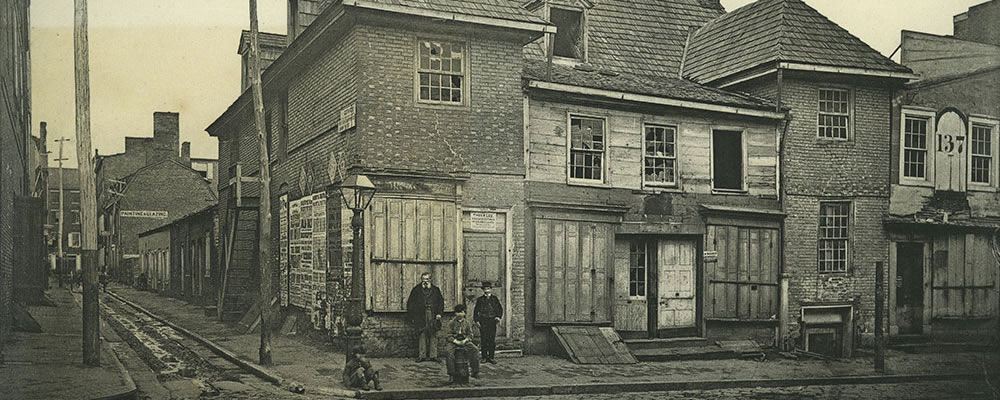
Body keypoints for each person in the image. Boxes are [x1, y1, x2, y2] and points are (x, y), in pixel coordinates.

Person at [405, 272, 444, 362]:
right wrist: (413, 316)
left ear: (431, 280)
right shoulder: (416, 290)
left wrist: (439, 314)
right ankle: (421, 356)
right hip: (420, 315)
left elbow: (440, 303)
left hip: (433, 314)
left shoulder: (436, 290)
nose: (425, 282)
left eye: (427, 279)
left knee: (433, 334)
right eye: (423, 279)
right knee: (422, 334)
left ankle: (433, 356)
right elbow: (410, 303)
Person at [444, 303, 479, 382]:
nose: (459, 314)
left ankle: (475, 371)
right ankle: (451, 374)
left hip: (464, 340)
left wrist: (465, 340)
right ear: (455, 313)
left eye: (461, 312)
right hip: (454, 341)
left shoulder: (467, 323)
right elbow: (448, 335)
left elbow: (470, 334)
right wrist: (455, 341)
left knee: (475, 350)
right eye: (457, 312)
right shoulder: (451, 323)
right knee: (448, 352)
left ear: (464, 313)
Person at [474, 281, 503, 364]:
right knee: (484, 339)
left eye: (488, 289)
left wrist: (498, 316)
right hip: (483, 321)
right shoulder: (480, 299)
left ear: (491, 289)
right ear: (483, 290)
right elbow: (476, 311)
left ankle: (491, 357)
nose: (487, 290)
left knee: (491, 339)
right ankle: (484, 357)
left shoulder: (494, 299)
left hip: (492, 321)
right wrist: (477, 320)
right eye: (485, 289)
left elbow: (499, 309)